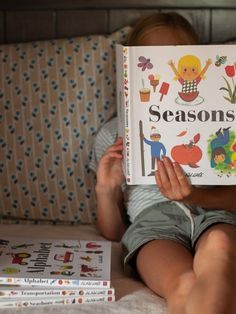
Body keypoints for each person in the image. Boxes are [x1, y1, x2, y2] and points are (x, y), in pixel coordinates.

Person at [89, 12, 236, 314]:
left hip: (215, 213)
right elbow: (114, 233)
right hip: (153, 223)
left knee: (220, 246)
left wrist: (195, 195)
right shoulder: (113, 134)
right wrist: (106, 190)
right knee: (183, 283)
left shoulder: (223, 125)